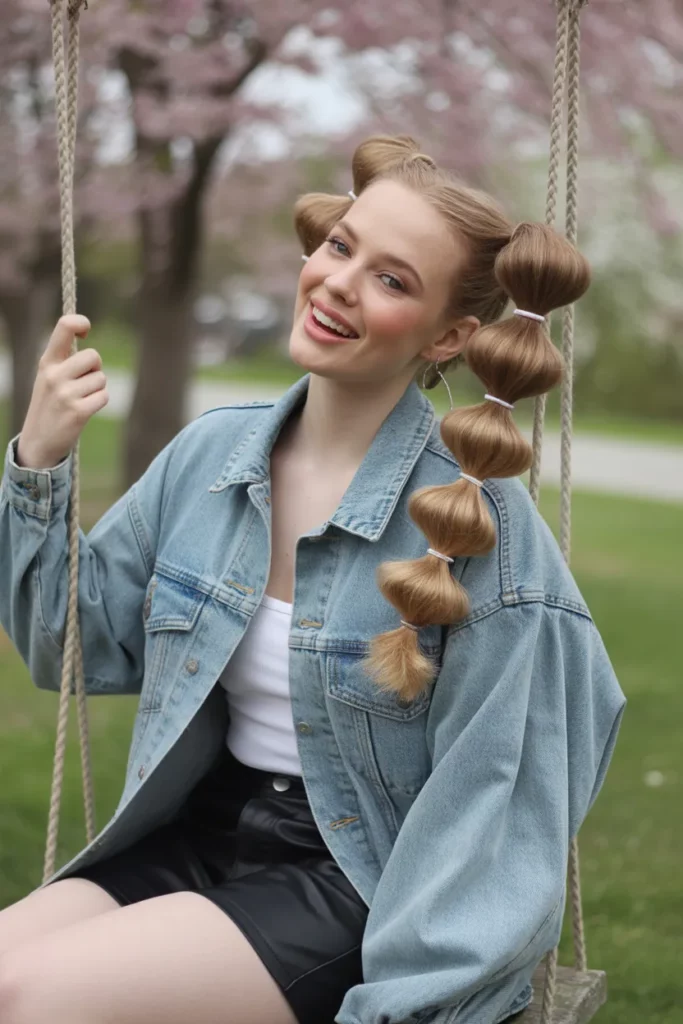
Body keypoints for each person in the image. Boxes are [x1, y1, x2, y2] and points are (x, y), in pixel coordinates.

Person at [0, 135, 625, 1024]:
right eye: (341, 248)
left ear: (450, 335)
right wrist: (40, 460)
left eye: (392, 280)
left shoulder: (486, 542)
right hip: (196, 832)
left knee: (33, 1000)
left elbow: (493, 829)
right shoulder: (213, 456)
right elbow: (74, 649)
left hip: (353, 878)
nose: (336, 282)